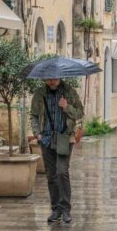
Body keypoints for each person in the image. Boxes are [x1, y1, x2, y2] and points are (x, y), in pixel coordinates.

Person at [30, 79, 84, 223]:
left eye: (53, 78)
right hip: (46, 139)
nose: (51, 81)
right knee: (51, 175)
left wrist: (66, 107)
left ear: (59, 76)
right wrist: (37, 133)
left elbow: (80, 113)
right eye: (48, 79)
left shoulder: (69, 92)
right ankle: (56, 209)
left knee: (62, 171)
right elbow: (34, 115)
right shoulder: (39, 94)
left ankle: (66, 209)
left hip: (64, 137)